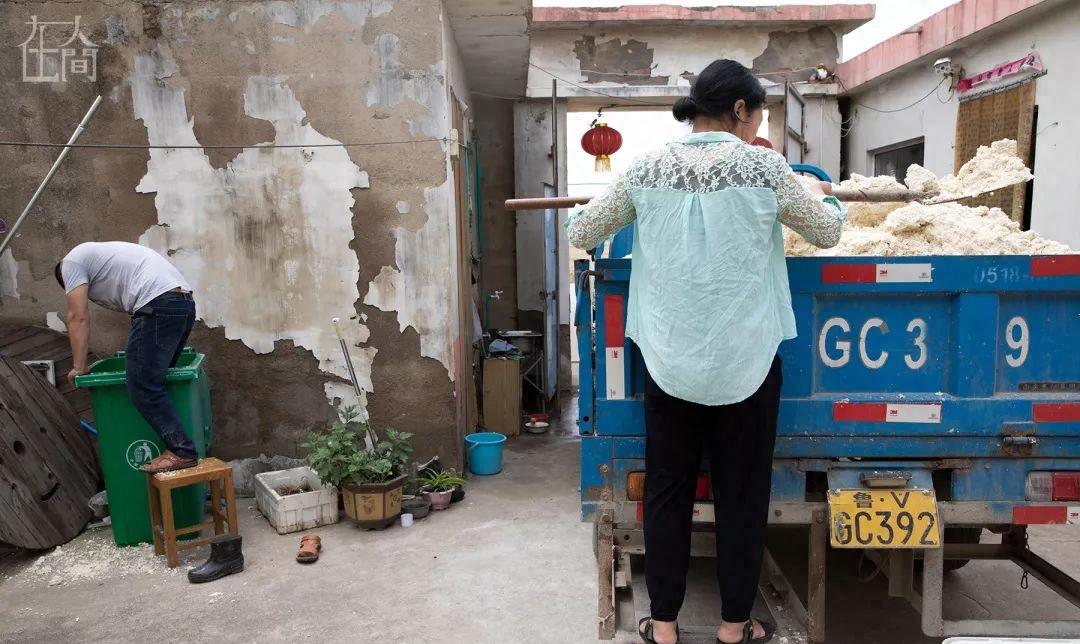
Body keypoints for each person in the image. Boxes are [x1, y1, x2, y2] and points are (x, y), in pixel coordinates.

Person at [567, 60, 845, 644]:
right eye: (759, 114)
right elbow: (825, 233)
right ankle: (732, 627)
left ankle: (663, 625)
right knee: (742, 495)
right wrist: (825, 197)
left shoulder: (647, 166)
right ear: (740, 110)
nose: (757, 124)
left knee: (667, 491)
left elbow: (582, 231)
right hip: (747, 361)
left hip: (669, 363)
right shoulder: (766, 168)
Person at [56, 241, 199, 474]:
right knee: (158, 381)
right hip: (182, 303)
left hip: (157, 303)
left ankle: (182, 451)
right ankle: (179, 447)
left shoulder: (70, 264)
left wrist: (78, 366)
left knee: (143, 386)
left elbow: (78, 317)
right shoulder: (100, 257)